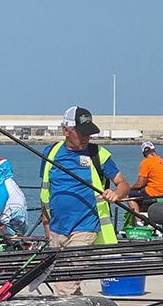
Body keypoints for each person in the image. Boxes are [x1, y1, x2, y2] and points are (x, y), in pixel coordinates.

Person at [40, 106, 131, 295]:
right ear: (66, 130)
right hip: (57, 228)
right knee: (65, 282)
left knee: (65, 284)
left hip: (85, 228)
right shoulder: (50, 153)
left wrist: (116, 194)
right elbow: (45, 191)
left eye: (88, 133)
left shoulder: (99, 154)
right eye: (81, 133)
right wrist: (46, 226)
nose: (85, 138)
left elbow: (123, 184)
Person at [127, 141, 163, 214]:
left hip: (158, 193)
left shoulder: (146, 162)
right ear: (154, 150)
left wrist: (130, 187)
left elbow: (140, 183)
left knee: (129, 195)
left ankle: (138, 218)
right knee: (142, 192)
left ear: (143, 153)